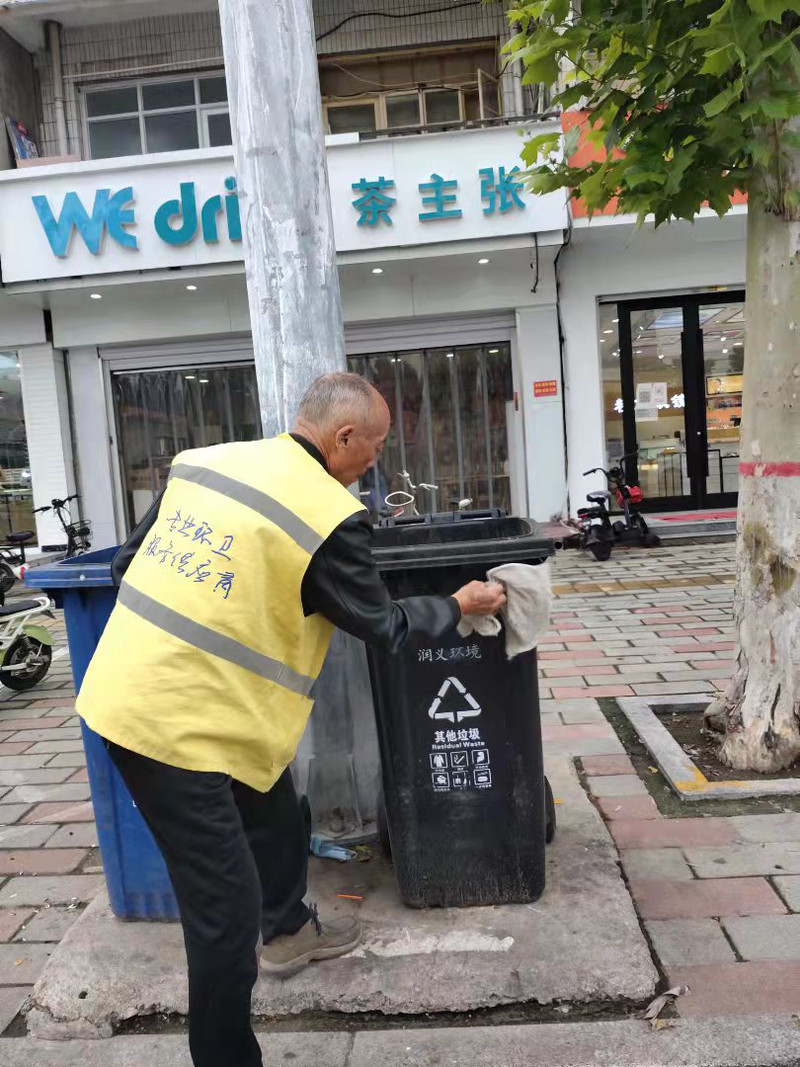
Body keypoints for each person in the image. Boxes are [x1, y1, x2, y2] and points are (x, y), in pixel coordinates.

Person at [76, 372, 505, 1067]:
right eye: (376, 445)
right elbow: (383, 625)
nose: (377, 460)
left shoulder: (206, 462)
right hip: (165, 728)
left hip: (158, 693)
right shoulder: (325, 514)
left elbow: (129, 566)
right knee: (222, 914)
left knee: (276, 809)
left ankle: (288, 929)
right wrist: (460, 604)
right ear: (342, 437)